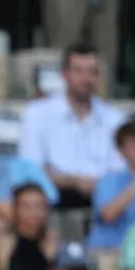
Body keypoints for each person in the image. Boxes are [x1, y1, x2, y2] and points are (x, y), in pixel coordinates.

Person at [18, 43, 125, 209]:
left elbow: (120, 173)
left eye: (93, 72)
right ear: (65, 74)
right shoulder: (37, 113)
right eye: (79, 71)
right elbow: (31, 171)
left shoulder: (115, 119)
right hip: (52, 202)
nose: (86, 79)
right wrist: (75, 182)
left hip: (104, 202)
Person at [88, 118, 135, 252]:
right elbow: (109, 214)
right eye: (134, 144)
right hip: (111, 248)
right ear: (121, 151)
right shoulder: (109, 180)